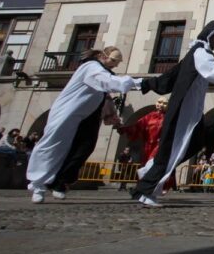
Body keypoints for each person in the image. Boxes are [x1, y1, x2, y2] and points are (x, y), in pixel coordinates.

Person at [132, 21, 214, 207]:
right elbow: (213, 73)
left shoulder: (196, 53)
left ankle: (150, 172)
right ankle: (146, 190)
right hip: (183, 111)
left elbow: (169, 77)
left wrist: (146, 84)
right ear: (211, 36)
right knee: (171, 149)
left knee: (194, 142)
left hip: (191, 112)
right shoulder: (201, 53)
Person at [26, 46, 139, 204]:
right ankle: (38, 185)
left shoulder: (102, 72)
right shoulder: (91, 67)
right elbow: (107, 82)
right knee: (53, 143)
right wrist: (135, 82)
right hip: (69, 111)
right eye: (113, 60)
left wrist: (112, 115)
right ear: (102, 56)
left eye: (117, 62)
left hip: (89, 115)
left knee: (85, 147)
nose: (115, 65)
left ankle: (60, 182)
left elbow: (105, 95)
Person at [118, 97, 168, 165]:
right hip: (148, 147)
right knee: (147, 165)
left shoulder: (168, 117)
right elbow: (137, 126)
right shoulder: (149, 116)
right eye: (159, 102)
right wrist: (124, 129)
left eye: (164, 103)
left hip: (161, 147)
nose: (161, 105)